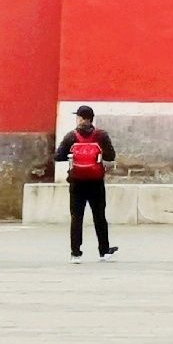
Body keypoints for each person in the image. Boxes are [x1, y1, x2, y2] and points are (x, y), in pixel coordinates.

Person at [55, 104, 120, 261]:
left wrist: (73, 155)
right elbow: (111, 156)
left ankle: (75, 253)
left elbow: (58, 156)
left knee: (76, 218)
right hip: (96, 182)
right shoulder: (101, 136)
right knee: (99, 216)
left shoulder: (71, 136)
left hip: (76, 182)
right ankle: (104, 251)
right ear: (91, 119)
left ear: (81, 119)